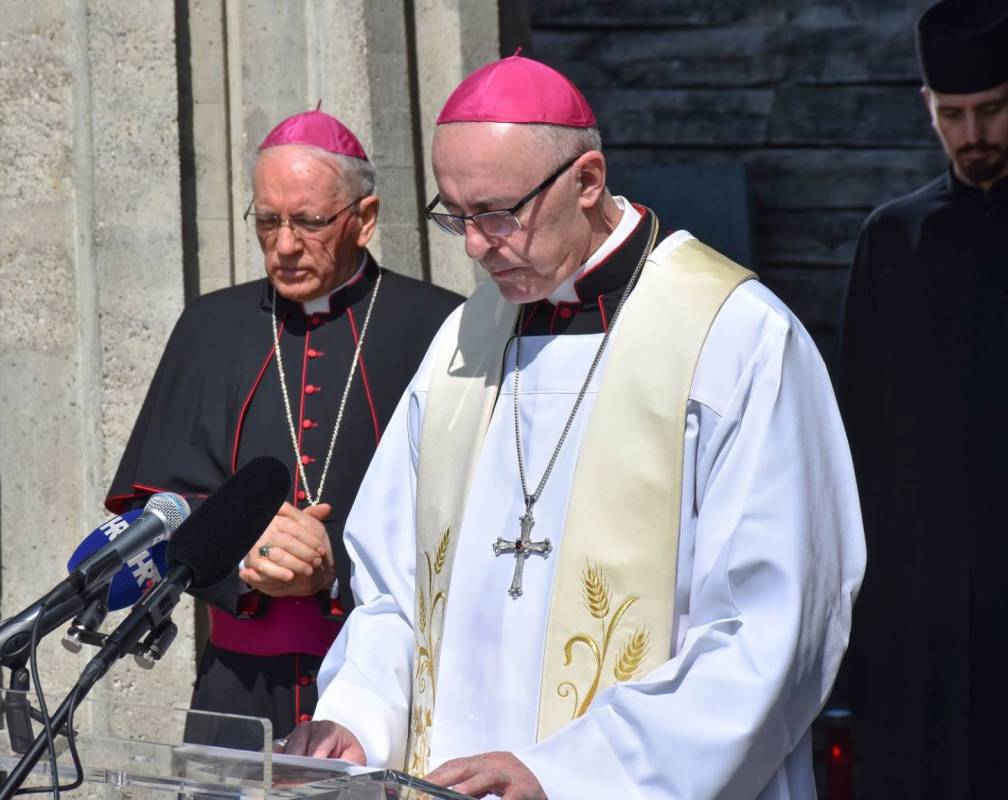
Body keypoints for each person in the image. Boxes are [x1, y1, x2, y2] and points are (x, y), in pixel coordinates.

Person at [284, 54, 865, 799]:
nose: (473, 245)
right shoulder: (464, 340)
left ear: (587, 180)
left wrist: (568, 776)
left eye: (496, 213)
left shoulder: (737, 338)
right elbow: (396, 591)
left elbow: (774, 632)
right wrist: (356, 723)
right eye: (455, 215)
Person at [105, 109, 462, 739]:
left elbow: (466, 508)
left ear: (366, 219)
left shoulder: (443, 327)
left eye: (309, 222)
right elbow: (153, 505)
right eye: (268, 221)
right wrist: (247, 555)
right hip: (237, 687)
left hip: (395, 685)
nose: (286, 244)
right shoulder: (210, 327)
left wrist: (336, 570)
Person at [835, 2, 1008, 796]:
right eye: (954, 115)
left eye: (994, 109)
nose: (975, 134)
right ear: (928, 110)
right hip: (926, 612)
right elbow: (858, 442)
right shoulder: (893, 242)